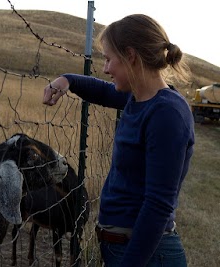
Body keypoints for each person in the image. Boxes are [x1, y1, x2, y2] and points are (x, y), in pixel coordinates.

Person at [42, 14, 194, 267]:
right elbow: (103, 91)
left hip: (145, 255)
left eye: (109, 59)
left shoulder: (167, 114)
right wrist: (67, 79)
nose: (106, 69)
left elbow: (158, 204)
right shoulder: (140, 98)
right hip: (125, 249)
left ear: (130, 56)